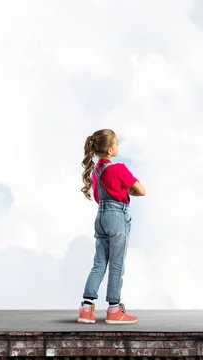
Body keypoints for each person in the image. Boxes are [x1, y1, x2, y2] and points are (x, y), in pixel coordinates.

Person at [77, 129, 146, 324]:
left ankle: (86, 308)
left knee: (99, 262)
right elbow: (141, 191)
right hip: (117, 216)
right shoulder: (119, 169)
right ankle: (114, 309)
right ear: (109, 150)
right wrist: (127, 188)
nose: (118, 146)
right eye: (116, 143)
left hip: (100, 216)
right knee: (116, 263)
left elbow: (99, 197)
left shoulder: (95, 173)